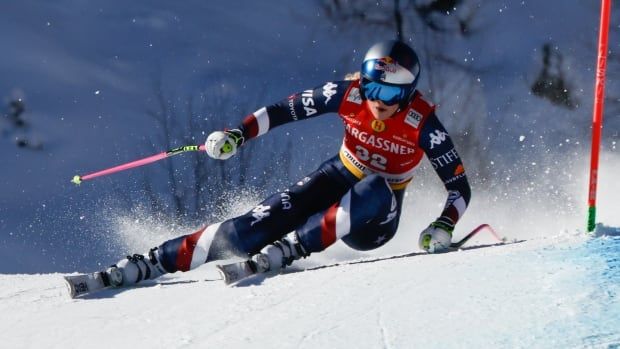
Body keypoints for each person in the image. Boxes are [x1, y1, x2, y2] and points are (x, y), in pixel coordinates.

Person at [104, 40, 471, 287]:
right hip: (338, 174)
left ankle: (293, 248)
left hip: (375, 217)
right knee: (255, 226)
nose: (379, 101)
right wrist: (237, 135)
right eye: (373, 87)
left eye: (391, 93)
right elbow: (283, 110)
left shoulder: (422, 123)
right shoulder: (347, 95)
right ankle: (155, 261)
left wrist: (444, 224)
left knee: (376, 186)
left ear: (407, 93)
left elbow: (459, 186)